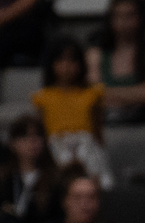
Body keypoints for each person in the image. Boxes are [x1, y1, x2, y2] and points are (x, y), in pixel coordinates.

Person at [33, 39, 108, 185]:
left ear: (81, 64)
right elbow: (42, 131)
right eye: (60, 60)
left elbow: (98, 129)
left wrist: (100, 152)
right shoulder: (42, 97)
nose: (66, 66)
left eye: (72, 60)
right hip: (56, 148)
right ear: (51, 64)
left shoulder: (92, 94)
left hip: (87, 147)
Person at [88, 0, 145, 125]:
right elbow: (92, 94)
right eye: (118, 16)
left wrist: (107, 94)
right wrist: (138, 94)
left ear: (141, 18)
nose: (123, 22)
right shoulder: (95, 55)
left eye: (129, 15)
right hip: (106, 124)